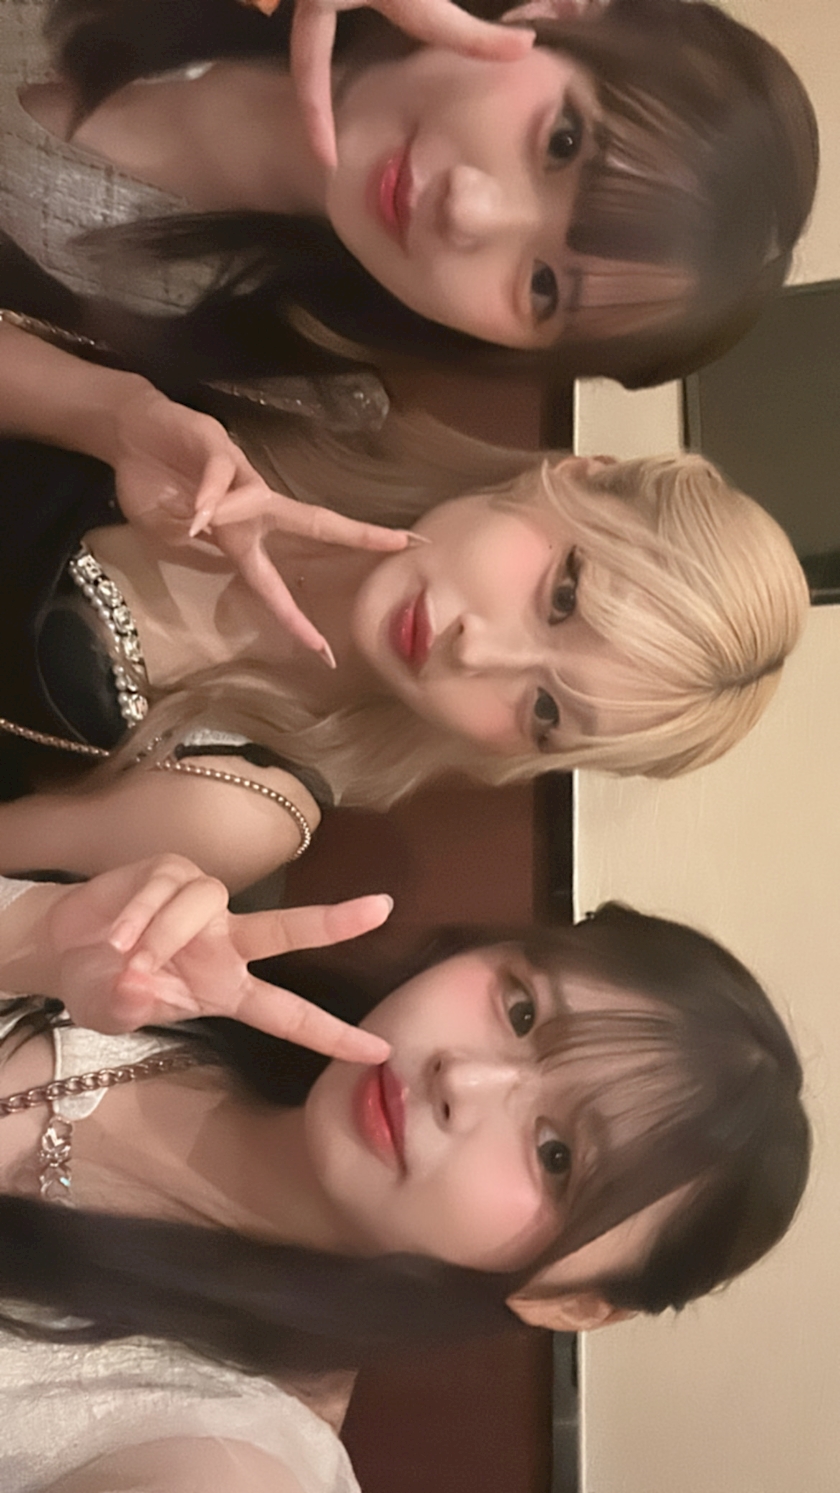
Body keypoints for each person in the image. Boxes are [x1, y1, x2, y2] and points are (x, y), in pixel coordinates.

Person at [0, 854, 810, 1491]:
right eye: (522, 1011)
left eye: (557, 1155)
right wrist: (38, 933)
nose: (463, 1078)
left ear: (569, 1301)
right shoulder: (181, 985)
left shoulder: (227, 1453)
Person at [0, 323, 809, 889]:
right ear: (575, 477)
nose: (477, 651)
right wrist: (108, 415)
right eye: (563, 597)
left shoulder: (238, 804)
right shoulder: (306, 398)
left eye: (544, 708)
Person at [0, 0, 819, 420]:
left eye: (543, 288)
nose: (470, 212)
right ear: (559, 11)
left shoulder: (270, 395)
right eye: (561, 142)